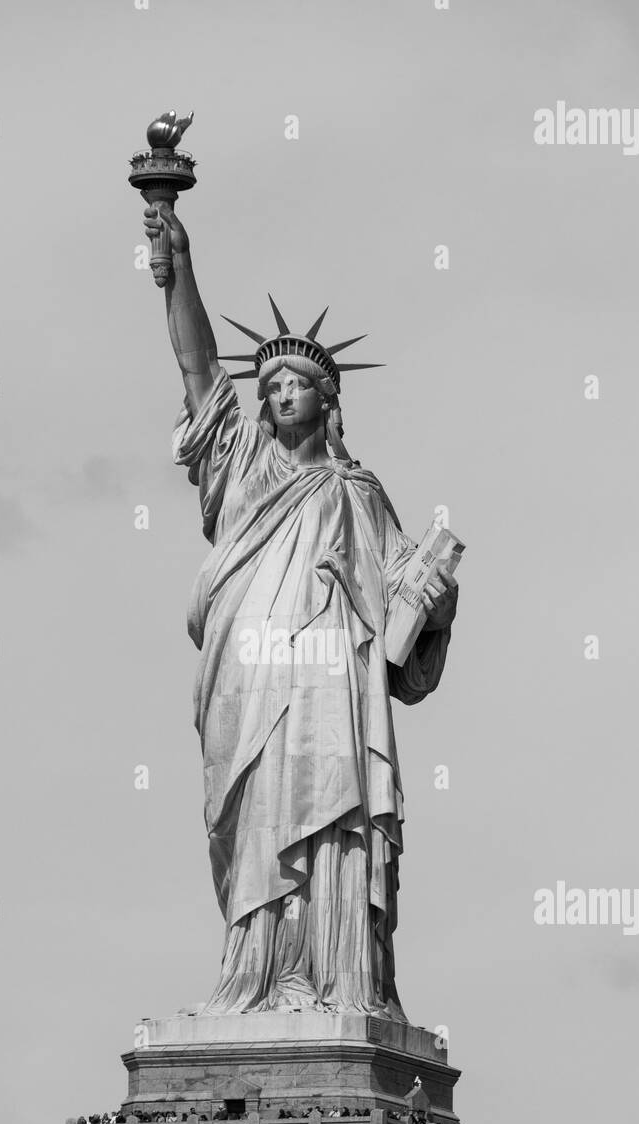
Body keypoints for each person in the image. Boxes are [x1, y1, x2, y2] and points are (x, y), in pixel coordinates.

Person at [144, 201, 459, 1019]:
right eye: (271, 386)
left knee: (337, 814)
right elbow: (197, 370)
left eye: (297, 385)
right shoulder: (243, 465)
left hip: (332, 685)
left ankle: (338, 977)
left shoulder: (358, 492)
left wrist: (435, 592)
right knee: (257, 809)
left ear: (328, 401)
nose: (280, 394)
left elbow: (400, 606)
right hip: (251, 677)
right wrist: (176, 258)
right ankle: (258, 973)